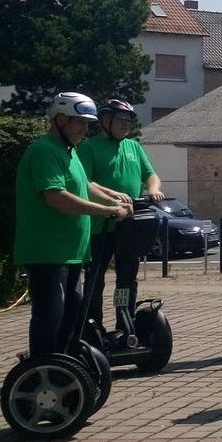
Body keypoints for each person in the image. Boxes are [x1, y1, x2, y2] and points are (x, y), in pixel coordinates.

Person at [15, 93, 130, 359]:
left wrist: (112, 196)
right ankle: (41, 370)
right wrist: (108, 210)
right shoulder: (44, 150)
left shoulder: (69, 151)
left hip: (72, 252)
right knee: (50, 318)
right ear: (61, 119)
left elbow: (85, 184)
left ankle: (63, 364)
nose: (85, 129)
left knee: (72, 315)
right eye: (81, 122)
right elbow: (56, 197)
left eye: (89, 124)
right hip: (47, 252)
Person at [77, 98, 164, 335]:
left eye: (129, 120)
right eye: (121, 120)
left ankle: (124, 321)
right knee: (96, 278)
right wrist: (110, 201)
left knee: (127, 279)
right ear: (105, 121)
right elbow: (84, 183)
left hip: (129, 225)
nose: (126, 125)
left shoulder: (133, 147)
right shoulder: (89, 147)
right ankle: (93, 325)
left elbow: (151, 175)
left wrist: (153, 189)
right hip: (100, 225)